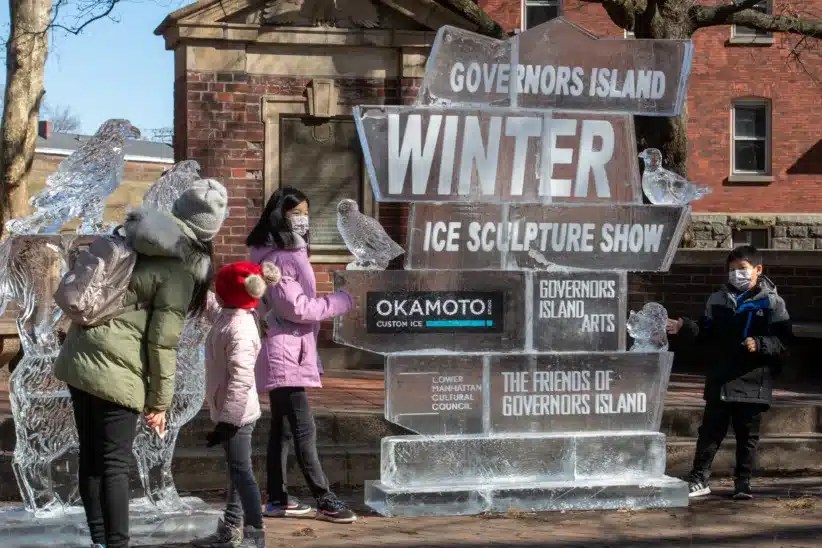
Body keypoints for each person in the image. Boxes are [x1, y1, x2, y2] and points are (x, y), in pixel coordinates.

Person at [55, 179, 228, 548]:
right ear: (210, 231)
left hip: (79, 356)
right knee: (114, 464)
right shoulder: (182, 268)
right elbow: (162, 343)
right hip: (118, 369)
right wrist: (160, 403)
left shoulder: (134, 235)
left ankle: (101, 541)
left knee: (92, 457)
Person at [246, 187, 357, 524]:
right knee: (303, 428)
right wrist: (341, 301)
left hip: (288, 348)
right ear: (281, 216)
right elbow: (296, 308)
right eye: (297, 213)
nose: (304, 220)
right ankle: (324, 498)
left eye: (307, 212)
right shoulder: (277, 259)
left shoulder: (283, 253)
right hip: (285, 351)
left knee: (283, 429)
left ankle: (277, 498)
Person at [667, 245, 791, 500]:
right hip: (721, 377)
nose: (736, 274)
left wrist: (761, 343)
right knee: (710, 432)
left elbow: (784, 341)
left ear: (758, 270)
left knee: (747, 436)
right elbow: (706, 332)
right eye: (732, 270)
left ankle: (743, 483)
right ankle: (699, 478)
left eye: (742, 269)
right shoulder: (718, 299)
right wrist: (684, 326)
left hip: (754, 380)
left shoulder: (772, 302)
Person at [193, 261, 281, 548]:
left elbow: (241, 380)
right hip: (230, 412)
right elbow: (211, 307)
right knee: (235, 470)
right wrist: (193, 279)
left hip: (238, 415)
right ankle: (231, 528)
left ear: (228, 293)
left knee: (242, 473)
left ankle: (255, 534)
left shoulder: (240, 328)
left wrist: (228, 422)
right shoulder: (230, 315)